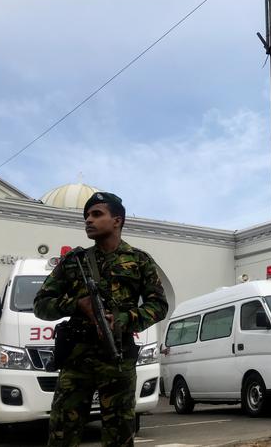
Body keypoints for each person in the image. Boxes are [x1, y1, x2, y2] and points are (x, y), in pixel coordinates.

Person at [34, 192, 169, 447]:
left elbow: (159, 305)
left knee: (119, 436)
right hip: (76, 360)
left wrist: (122, 319)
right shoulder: (74, 261)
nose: (88, 220)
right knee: (62, 434)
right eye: (86, 215)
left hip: (116, 359)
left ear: (117, 220)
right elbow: (41, 305)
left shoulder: (139, 261)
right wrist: (77, 304)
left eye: (96, 214)